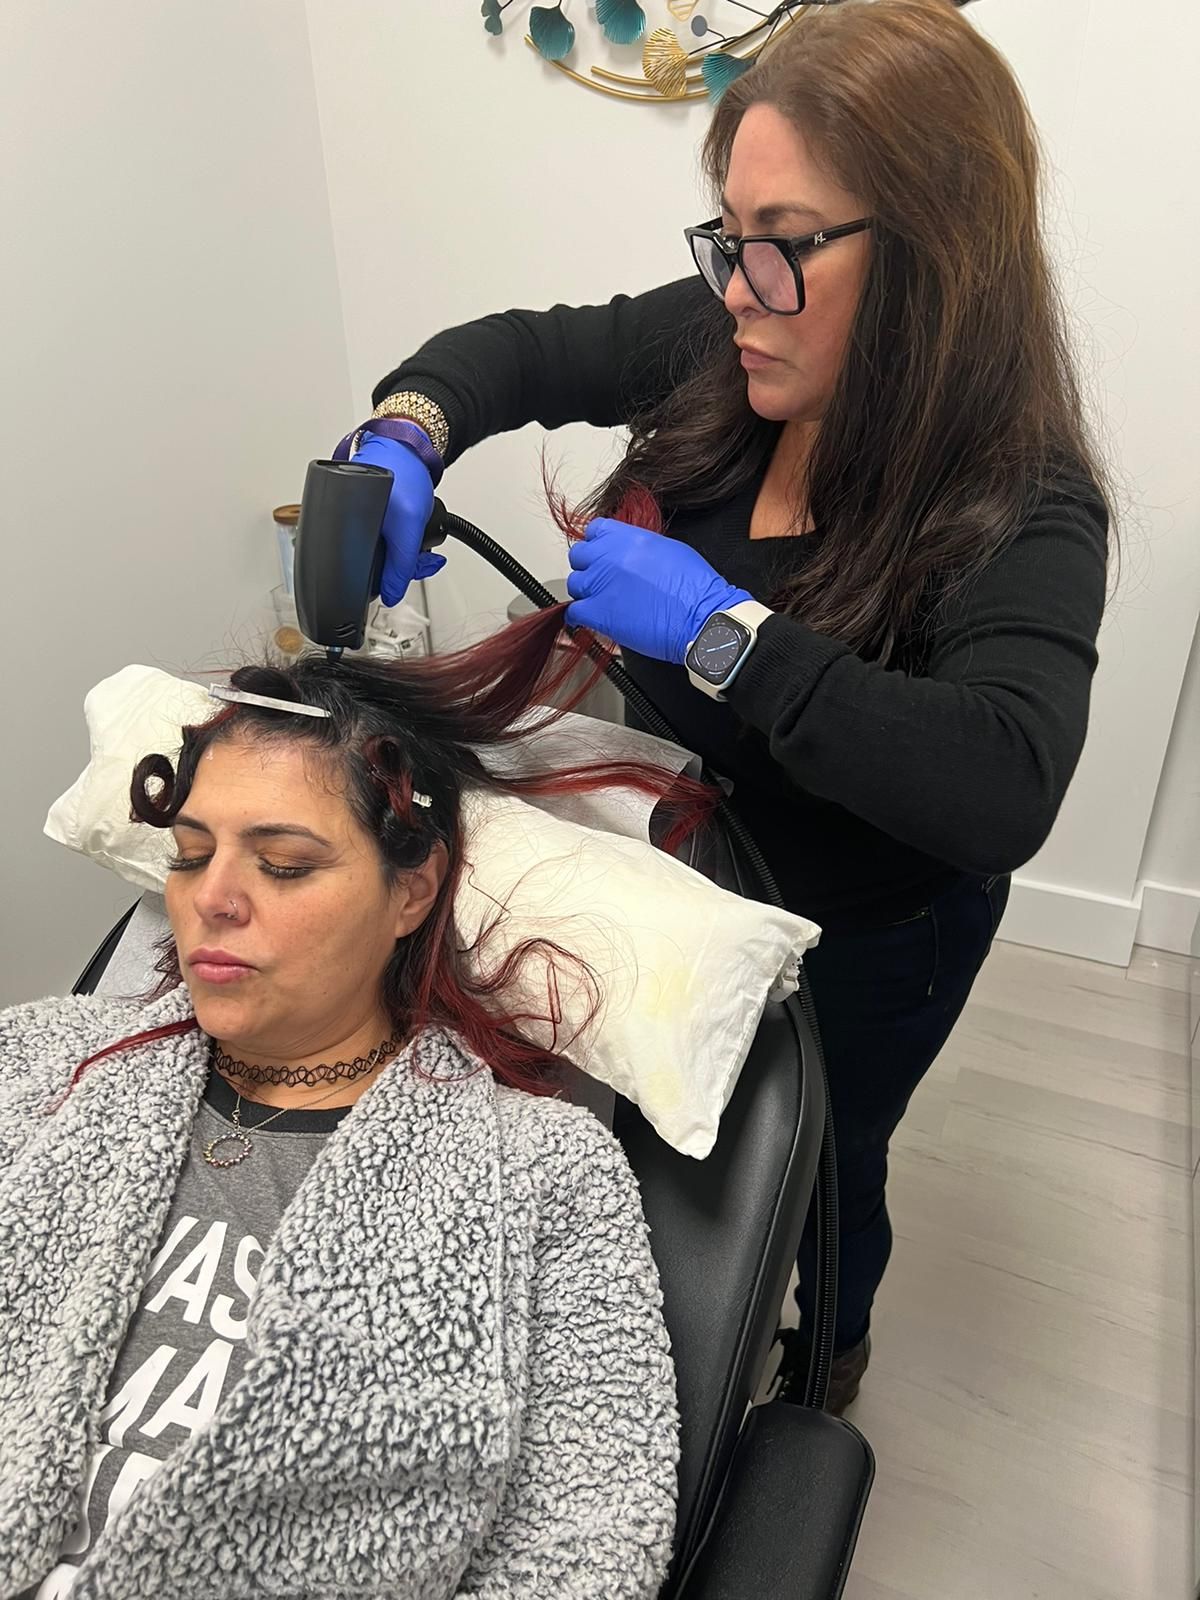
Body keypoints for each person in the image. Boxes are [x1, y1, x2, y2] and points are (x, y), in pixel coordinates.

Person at [347, 0, 1112, 1413]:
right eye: (726, 231)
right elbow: (517, 350)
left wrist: (722, 636)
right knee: (664, 1119)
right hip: (690, 859)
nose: (739, 288)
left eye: (784, 242)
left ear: (938, 257)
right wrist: (407, 429)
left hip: (875, 921)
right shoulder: (730, 337)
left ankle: (827, 1366)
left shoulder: (1026, 499)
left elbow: (1002, 779)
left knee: (826, 1151)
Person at [0, 609, 683, 1600]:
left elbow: (589, 1539)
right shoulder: (39, 1061)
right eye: (191, 851)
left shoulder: (544, 1171)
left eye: (284, 862)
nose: (214, 898)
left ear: (413, 891)